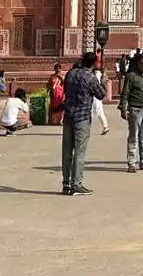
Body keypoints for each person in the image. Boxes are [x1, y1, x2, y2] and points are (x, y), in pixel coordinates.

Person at [61, 51, 106, 196]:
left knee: (67, 151)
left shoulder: (70, 74)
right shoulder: (90, 78)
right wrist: (102, 80)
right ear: (93, 64)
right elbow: (101, 94)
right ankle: (76, 184)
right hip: (82, 118)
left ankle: (66, 183)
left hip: (68, 116)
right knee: (79, 152)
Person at [119, 53, 143, 173]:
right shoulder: (131, 76)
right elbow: (125, 93)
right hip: (135, 109)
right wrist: (123, 109)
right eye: (142, 63)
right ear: (137, 63)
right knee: (133, 137)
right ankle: (131, 163)